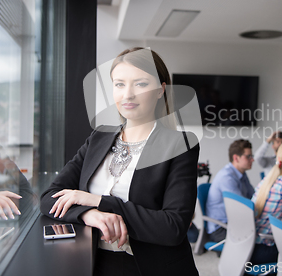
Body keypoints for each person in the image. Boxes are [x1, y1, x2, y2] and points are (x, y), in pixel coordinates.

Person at [40, 47, 200, 276]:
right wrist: (89, 213)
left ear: (160, 90)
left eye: (141, 84)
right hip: (94, 262)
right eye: (119, 84)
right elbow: (49, 198)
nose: (128, 95)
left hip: (150, 268)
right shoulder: (99, 137)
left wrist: (99, 201)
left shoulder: (180, 144)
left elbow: (172, 227)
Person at [206, 139, 255, 242]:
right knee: (258, 244)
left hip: (233, 223)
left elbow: (254, 196)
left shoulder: (241, 174)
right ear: (236, 158)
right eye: (248, 156)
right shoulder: (227, 177)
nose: (252, 160)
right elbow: (243, 208)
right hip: (221, 229)